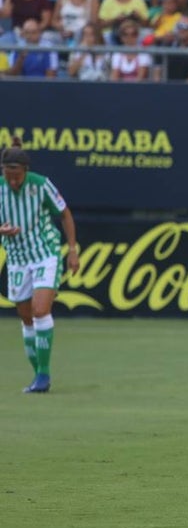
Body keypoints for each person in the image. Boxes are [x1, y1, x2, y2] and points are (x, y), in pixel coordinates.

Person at [0, 141, 79, 394]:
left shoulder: (40, 184)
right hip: (17, 258)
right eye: (8, 177)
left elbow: (64, 213)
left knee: (40, 309)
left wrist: (73, 249)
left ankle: (44, 375)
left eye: (17, 177)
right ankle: (37, 374)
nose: (13, 183)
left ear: (25, 171)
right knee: (26, 317)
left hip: (45, 253)